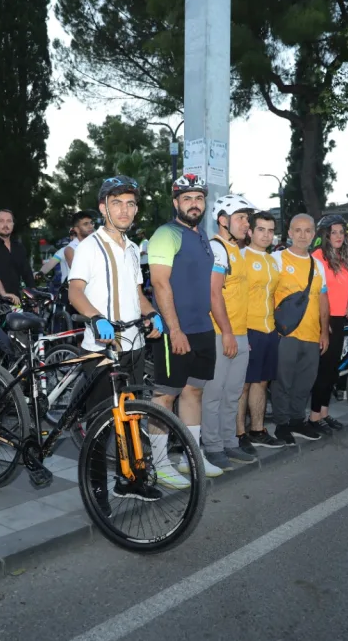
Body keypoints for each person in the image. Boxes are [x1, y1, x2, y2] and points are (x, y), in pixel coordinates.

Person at [67, 175, 166, 498]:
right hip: (101, 349)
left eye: (130, 204)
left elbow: (137, 293)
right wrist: (96, 318)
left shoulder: (134, 249)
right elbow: (75, 291)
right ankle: (97, 491)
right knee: (99, 427)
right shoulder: (89, 246)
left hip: (133, 346)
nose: (124, 210)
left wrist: (151, 313)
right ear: (103, 208)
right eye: (117, 204)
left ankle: (131, 480)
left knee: (131, 417)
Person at [148, 174, 220, 477]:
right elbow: (160, 284)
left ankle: (192, 457)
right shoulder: (166, 234)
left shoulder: (202, 235)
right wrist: (174, 329)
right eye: (187, 198)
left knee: (194, 392)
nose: (194, 204)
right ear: (176, 202)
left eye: (199, 198)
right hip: (176, 330)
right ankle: (160, 463)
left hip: (203, 327)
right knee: (165, 396)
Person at [202, 193, 256, 469]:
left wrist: (241, 336)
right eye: (241, 218)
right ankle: (211, 446)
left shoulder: (237, 251)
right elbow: (214, 294)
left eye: (247, 218)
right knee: (214, 393)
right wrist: (226, 333)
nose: (247, 223)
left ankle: (229, 443)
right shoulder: (217, 248)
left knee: (233, 392)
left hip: (239, 333)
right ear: (223, 221)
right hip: (220, 333)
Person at [269, 214, 328, 446]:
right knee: (282, 381)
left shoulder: (318, 264)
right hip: (285, 333)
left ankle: (297, 420)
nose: (303, 235)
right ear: (290, 233)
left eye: (308, 231)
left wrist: (324, 332)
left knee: (305, 381)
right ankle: (282, 425)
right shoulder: (276, 259)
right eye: (298, 230)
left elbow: (323, 300)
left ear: (313, 235)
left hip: (312, 334)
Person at [236, 211, 284, 453]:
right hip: (247, 330)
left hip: (269, 330)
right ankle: (239, 434)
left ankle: (257, 430)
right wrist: (241, 333)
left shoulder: (272, 260)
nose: (266, 234)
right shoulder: (241, 257)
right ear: (250, 231)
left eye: (270, 230)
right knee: (242, 384)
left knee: (261, 382)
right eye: (261, 229)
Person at [309, 215, 348, 433]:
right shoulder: (318, 257)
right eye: (333, 232)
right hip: (323, 320)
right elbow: (317, 292)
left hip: (339, 319)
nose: (338, 236)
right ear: (325, 235)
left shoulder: (343, 256)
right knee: (323, 370)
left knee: (332, 371)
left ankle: (325, 414)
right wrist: (323, 323)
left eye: (341, 232)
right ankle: (314, 417)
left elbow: (346, 285)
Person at [0, 209, 33, 306]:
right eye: (1, 221)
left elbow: (27, 274)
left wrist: (34, 297)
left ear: (13, 224)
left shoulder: (19, 247)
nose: (5, 224)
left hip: (16, 301)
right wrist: (4, 294)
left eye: (9, 221)